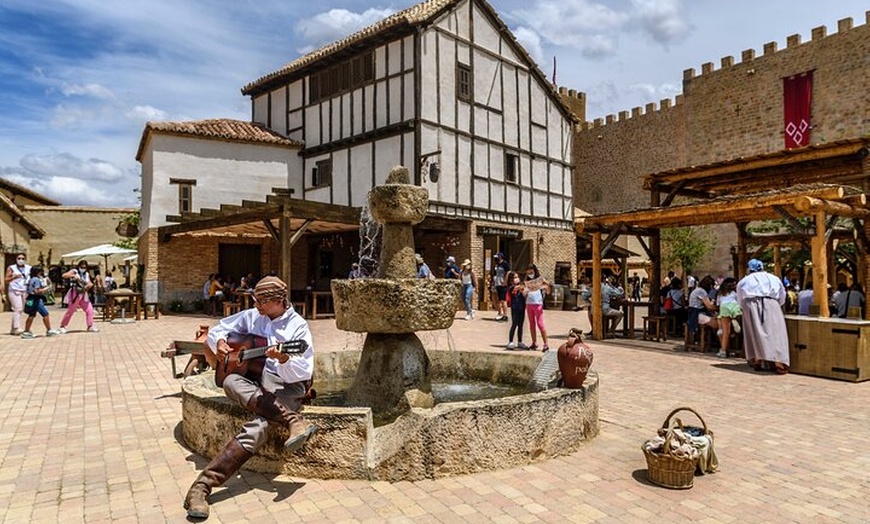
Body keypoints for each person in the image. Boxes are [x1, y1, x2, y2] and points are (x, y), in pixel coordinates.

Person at [184, 276, 318, 519]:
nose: (256, 305)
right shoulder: (254, 316)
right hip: (258, 380)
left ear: (278, 301)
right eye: (255, 300)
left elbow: (303, 371)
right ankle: (291, 420)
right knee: (231, 380)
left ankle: (202, 486)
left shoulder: (297, 328)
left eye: (261, 302)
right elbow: (220, 330)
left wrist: (283, 358)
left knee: (259, 427)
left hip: (288, 384)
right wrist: (222, 341)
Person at [737, 259, 789, 374]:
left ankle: (757, 359)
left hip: (750, 303)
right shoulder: (774, 278)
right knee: (776, 332)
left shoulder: (745, 280)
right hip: (772, 302)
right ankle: (778, 362)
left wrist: (745, 307)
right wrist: (775, 305)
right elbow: (782, 295)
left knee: (754, 332)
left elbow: (740, 297)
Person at [20, 266, 60, 339]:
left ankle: (26, 331)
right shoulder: (37, 280)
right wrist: (46, 289)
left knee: (31, 315)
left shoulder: (31, 279)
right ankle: (49, 330)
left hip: (30, 298)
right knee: (45, 314)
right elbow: (36, 291)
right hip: (36, 299)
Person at [59, 260, 99, 333]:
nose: (83, 268)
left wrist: (90, 285)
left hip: (83, 294)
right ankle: (63, 326)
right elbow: (64, 275)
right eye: (81, 267)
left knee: (89, 309)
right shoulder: (75, 271)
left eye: (84, 267)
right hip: (75, 293)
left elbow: (89, 282)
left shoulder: (86, 274)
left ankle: (90, 326)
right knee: (71, 310)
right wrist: (73, 276)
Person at [522, 264, 550, 351]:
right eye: (528, 271)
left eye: (531, 271)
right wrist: (524, 291)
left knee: (540, 324)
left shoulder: (540, 279)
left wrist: (547, 286)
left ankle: (546, 344)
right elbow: (524, 293)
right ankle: (534, 342)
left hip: (538, 303)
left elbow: (548, 291)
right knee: (532, 324)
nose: (530, 273)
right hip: (529, 303)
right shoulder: (526, 281)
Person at [686, 275, 719, 346]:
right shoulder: (702, 292)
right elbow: (710, 307)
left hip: (693, 314)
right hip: (696, 315)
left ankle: (712, 340)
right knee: (716, 323)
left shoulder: (698, 290)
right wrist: (719, 308)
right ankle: (718, 341)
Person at [714, 277, 742, 358]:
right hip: (734, 306)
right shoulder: (735, 293)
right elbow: (739, 302)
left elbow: (718, 305)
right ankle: (734, 319)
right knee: (736, 314)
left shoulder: (720, 294)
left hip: (724, 307)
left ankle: (723, 351)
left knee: (726, 331)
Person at [5, 252, 32, 335]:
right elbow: (6, 280)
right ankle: (17, 327)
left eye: (23, 258)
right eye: (19, 258)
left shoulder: (29, 268)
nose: (21, 260)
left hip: (24, 290)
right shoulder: (11, 268)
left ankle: (13, 329)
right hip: (14, 290)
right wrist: (14, 277)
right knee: (18, 308)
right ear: (16, 259)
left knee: (21, 309)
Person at [505, 272, 527, 349]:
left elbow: (525, 294)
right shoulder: (511, 287)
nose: (517, 279)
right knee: (514, 324)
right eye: (515, 277)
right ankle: (510, 341)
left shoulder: (521, 287)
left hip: (522, 307)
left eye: (517, 277)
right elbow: (513, 290)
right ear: (511, 280)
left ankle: (520, 341)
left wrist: (523, 291)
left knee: (521, 325)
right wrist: (518, 288)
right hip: (515, 308)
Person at [492, 253, 510, 321]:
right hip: (497, 284)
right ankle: (500, 313)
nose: (496, 258)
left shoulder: (504, 264)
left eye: (497, 257)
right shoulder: (497, 264)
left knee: (503, 300)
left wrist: (505, 281)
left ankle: (505, 315)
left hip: (502, 284)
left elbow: (508, 272)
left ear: (501, 257)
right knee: (499, 300)